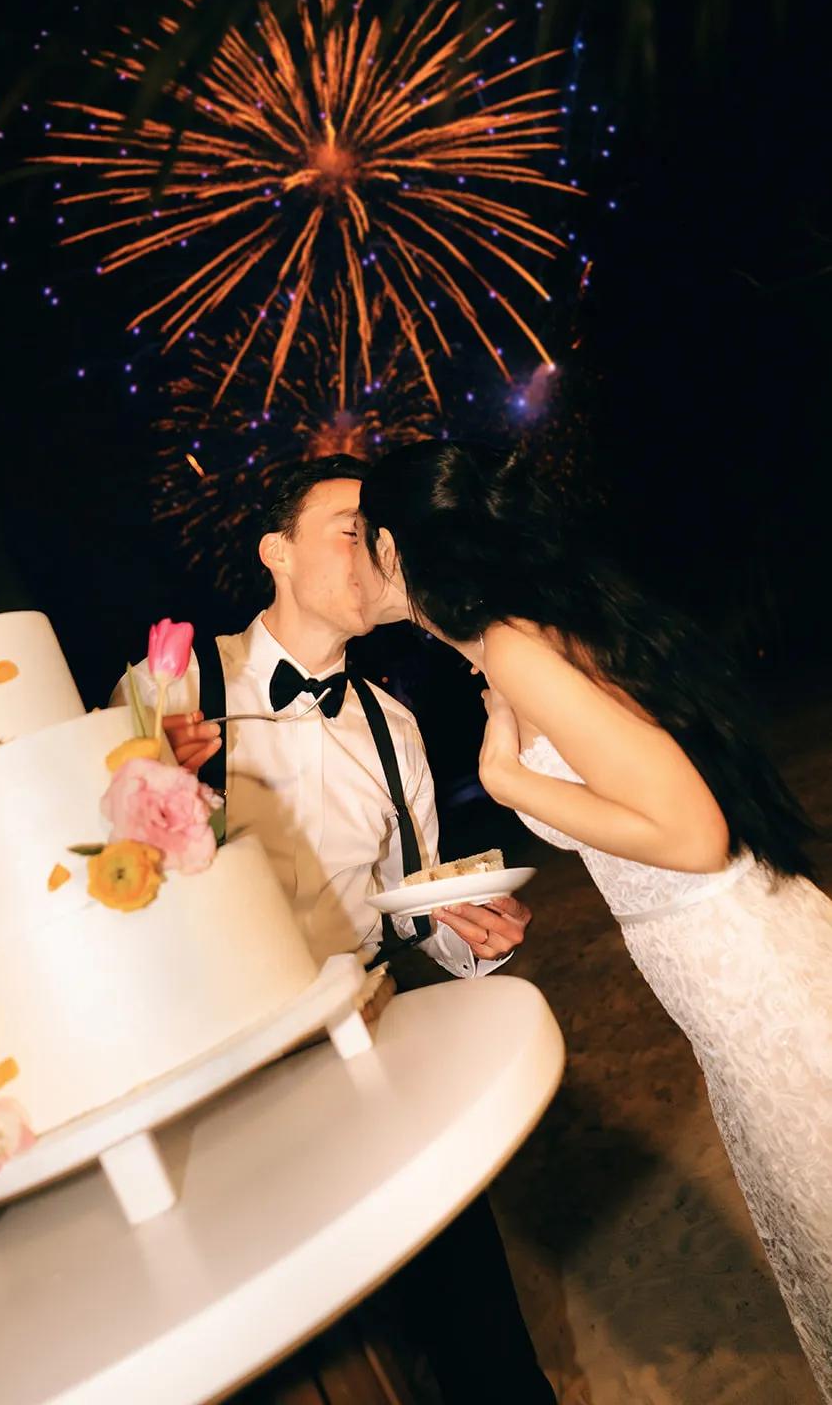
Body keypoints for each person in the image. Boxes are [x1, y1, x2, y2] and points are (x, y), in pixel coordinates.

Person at [360, 437, 832, 1399]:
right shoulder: (513, 642)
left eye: (355, 535)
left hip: (747, 970)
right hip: (725, 970)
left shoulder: (516, 649)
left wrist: (505, 780)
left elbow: (692, 834)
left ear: (393, 552)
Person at [114, 454, 556, 1404]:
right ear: (275, 551)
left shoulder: (392, 724)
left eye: (378, 533)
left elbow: (416, 910)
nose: (373, 550)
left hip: (373, 1044)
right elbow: (113, 890)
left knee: (477, 1324)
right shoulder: (172, 688)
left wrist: (471, 935)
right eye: (350, 529)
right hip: (231, 1084)